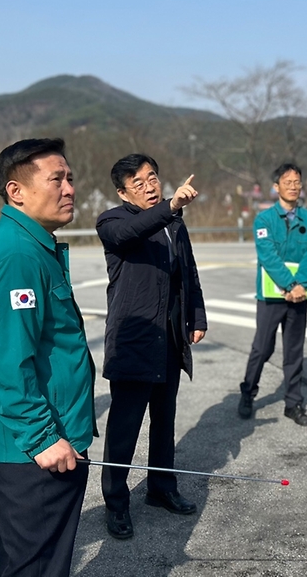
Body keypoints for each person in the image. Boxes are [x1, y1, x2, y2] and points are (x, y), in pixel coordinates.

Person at [0, 138, 95, 577]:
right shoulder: (17, 257)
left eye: (70, 178)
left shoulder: (34, 247)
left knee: (26, 555)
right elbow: (10, 365)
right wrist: (42, 438)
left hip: (44, 439)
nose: (69, 188)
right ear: (16, 191)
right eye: (56, 179)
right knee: (35, 564)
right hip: (32, 449)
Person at [97, 154, 207, 540]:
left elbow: (187, 272)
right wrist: (171, 205)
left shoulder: (174, 224)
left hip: (168, 340)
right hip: (133, 342)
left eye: (153, 178)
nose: (149, 186)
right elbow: (131, 235)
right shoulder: (113, 221)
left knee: (164, 421)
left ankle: (161, 488)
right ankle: (115, 501)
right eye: (139, 182)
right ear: (122, 191)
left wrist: (198, 317)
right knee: (124, 427)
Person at [238, 162, 307, 426]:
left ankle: (293, 403)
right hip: (271, 296)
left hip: (298, 296)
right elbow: (267, 256)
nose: (294, 187)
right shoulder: (264, 219)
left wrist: (300, 286)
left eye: (297, 182)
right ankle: (248, 393)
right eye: (288, 182)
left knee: (294, 352)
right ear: (276, 187)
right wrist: (288, 285)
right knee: (262, 348)